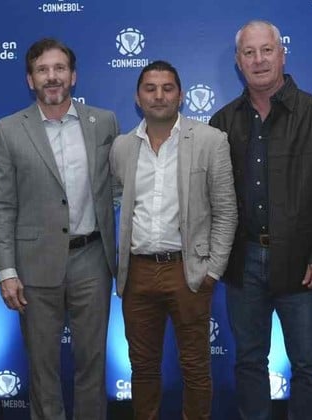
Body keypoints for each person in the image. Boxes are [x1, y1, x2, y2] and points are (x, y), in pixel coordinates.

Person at [209, 20, 312, 420]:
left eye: (266, 50)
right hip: (243, 262)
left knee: (308, 364)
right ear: (238, 62)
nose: (259, 60)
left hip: (303, 262)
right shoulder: (223, 122)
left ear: (282, 54)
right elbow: (210, 200)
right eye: (249, 52)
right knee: (249, 360)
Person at [0, 38, 118, 420]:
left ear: (73, 76)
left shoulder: (104, 122)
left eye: (59, 68)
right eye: (42, 70)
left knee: (93, 362)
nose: (52, 76)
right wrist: (6, 271)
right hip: (34, 264)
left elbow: (118, 186)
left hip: (92, 259)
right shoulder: (8, 130)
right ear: (30, 80)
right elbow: (1, 204)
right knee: (42, 366)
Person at [110, 60, 237, 420]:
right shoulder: (122, 147)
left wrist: (213, 270)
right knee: (142, 366)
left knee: (195, 366)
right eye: (150, 88)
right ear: (138, 98)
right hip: (137, 272)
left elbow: (226, 210)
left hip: (188, 270)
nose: (159, 96)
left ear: (180, 96)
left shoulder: (210, 140)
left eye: (167, 88)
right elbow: (117, 196)